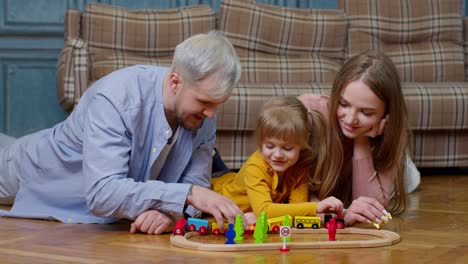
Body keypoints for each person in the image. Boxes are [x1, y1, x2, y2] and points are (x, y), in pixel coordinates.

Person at [0, 31, 247, 235]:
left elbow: (194, 186)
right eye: (204, 101)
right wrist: (187, 196)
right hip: (27, 171)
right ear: (175, 82)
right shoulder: (114, 97)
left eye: (218, 103)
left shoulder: (202, 114)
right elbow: (103, 193)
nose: (212, 114)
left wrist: (169, 213)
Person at [299, 50, 410, 226]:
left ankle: (409, 170)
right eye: (343, 104)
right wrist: (343, 212)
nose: (350, 120)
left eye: (366, 112)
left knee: (409, 180)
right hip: (327, 189)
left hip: (370, 163)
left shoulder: (390, 129)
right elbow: (283, 193)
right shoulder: (309, 112)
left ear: (386, 115)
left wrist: (362, 140)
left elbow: (373, 210)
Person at [211, 96, 343, 222]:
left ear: (302, 144)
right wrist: (315, 208)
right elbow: (265, 211)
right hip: (214, 189)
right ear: (261, 142)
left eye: (287, 148)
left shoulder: (300, 168)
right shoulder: (254, 167)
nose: (278, 154)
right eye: (269, 146)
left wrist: (266, 217)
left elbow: (297, 210)